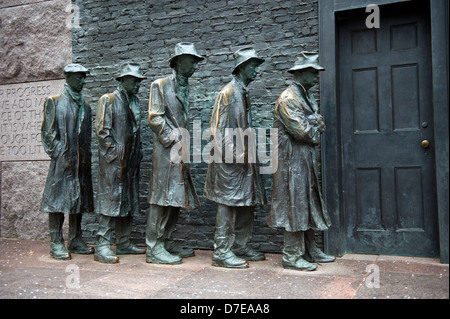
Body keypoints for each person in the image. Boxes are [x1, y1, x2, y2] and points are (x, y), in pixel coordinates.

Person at [269, 52, 335, 271]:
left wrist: (314, 124)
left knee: (308, 204)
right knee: (295, 207)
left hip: (304, 161)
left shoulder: (305, 95)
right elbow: (305, 133)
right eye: (313, 72)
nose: (317, 77)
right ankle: (291, 255)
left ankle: (310, 249)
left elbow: (315, 127)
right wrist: (315, 124)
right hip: (291, 163)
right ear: (301, 73)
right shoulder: (289, 99)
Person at [204, 47, 266, 269]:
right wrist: (238, 156)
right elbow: (216, 131)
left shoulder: (242, 92)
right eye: (253, 67)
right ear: (241, 68)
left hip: (244, 161)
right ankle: (221, 251)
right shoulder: (228, 93)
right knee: (228, 205)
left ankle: (240, 245)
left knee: (246, 204)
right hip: (230, 163)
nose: (257, 71)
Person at [146, 43, 204, 264]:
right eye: (192, 61)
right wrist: (173, 136)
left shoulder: (185, 86)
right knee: (161, 199)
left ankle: (166, 240)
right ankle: (153, 248)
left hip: (181, 152)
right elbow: (155, 117)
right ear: (179, 62)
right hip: (165, 153)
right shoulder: (160, 85)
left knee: (176, 199)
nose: (195, 66)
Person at [94, 63, 147, 263]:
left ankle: (124, 242)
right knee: (110, 202)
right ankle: (102, 245)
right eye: (134, 80)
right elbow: (102, 132)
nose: (137, 84)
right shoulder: (108, 100)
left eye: (139, 81)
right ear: (122, 80)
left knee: (128, 201)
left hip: (131, 161)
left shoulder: (135, 101)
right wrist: (115, 157)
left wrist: (135, 156)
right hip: (114, 164)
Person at [41, 63, 94, 260]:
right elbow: (48, 133)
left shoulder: (86, 106)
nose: (82, 80)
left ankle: (75, 239)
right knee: (56, 202)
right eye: (79, 77)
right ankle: (56, 242)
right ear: (68, 77)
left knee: (77, 200)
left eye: (83, 76)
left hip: (81, 163)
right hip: (62, 162)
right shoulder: (54, 101)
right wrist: (59, 154)